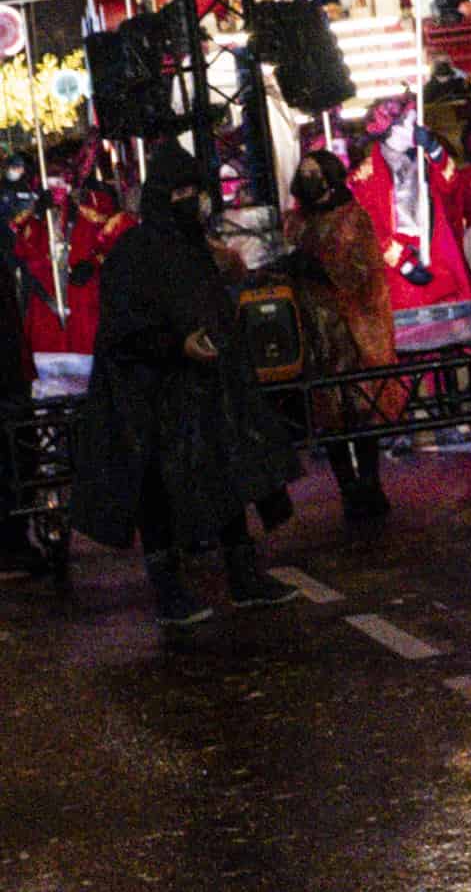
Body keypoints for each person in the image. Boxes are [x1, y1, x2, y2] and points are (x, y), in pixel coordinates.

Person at [67, 154, 300, 629]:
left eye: (193, 191)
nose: (190, 201)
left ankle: (244, 576)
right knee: (158, 495)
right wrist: (175, 345)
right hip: (156, 395)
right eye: (180, 194)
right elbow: (123, 330)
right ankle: (169, 590)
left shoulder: (197, 247)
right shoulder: (135, 252)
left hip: (209, 392)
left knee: (231, 480)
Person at [286, 147, 400, 526]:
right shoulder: (295, 223)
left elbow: (365, 270)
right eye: (304, 171)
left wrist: (322, 270)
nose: (309, 177)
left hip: (351, 330)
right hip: (315, 333)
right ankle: (348, 488)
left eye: (315, 170)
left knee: (361, 408)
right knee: (329, 413)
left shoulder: (354, 217)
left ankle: (370, 482)